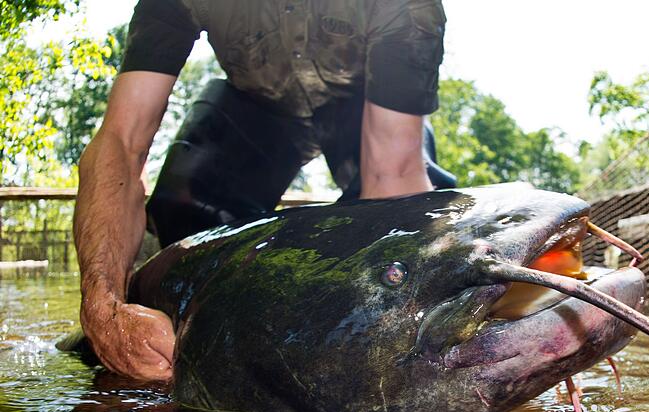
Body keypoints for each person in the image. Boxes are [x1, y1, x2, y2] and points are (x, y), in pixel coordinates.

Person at [73, 0, 454, 381]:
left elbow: (392, 175)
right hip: (255, 113)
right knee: (184, 210)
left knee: (407, 227)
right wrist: (101, 307)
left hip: (362, 111)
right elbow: (121, 142)